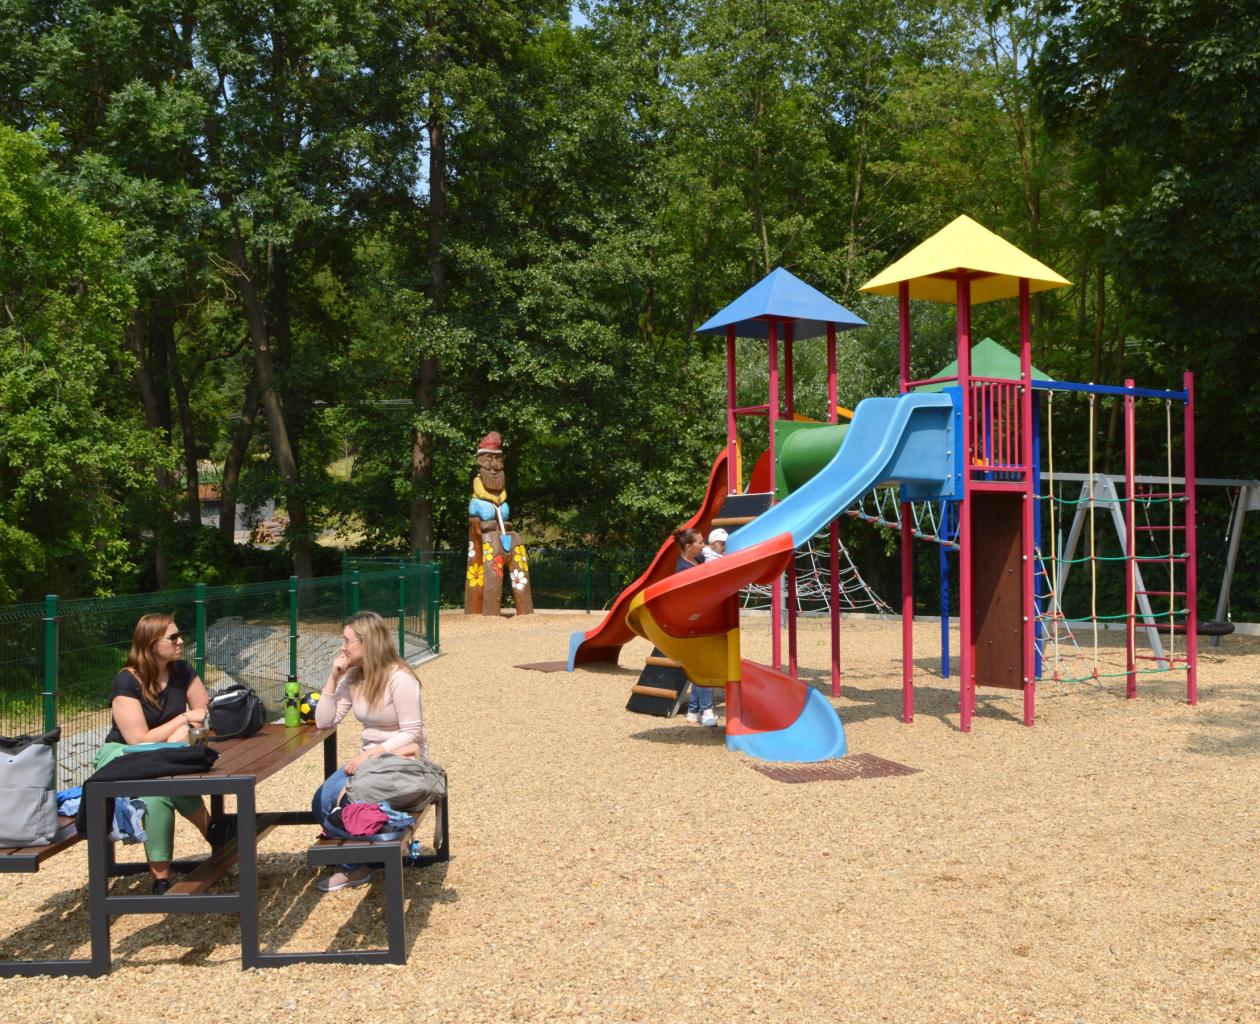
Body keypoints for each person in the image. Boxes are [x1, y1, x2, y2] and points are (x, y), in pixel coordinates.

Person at [312, 610, 428, 892]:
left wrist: (371, 755)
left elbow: (413, 733)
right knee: (321, 801)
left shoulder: (400, 678)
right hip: (368, 762)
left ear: (368, 642)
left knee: (346, 802)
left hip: (400, 761)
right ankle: (362, 854)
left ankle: (354, 866)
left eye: (347, 641)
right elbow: (324, 721)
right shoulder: (354, 678)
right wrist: (333, 678)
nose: (342, 647)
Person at [102, 613, 216, 894]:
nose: (181, 641)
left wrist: (185, 730)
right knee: (158, 785)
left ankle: (161, 879)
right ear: (151, 644)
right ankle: (213, 830)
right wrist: (182, 721)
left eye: (180, 635)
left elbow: (204, 714)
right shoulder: (126, 681)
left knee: (157, 791)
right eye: (173, 638)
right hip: (123, 755)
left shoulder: (183, 671)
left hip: (164, 755)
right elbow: (138, 740)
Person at [671, 528, 719, 728]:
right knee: (706, 666)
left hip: (702, 618)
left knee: (701, 666)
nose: (703, 545)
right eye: (699, 542)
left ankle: (693, 710)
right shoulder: (682, 570)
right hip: (694, 622)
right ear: (688, 546)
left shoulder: (697, 560)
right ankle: (706, 711)